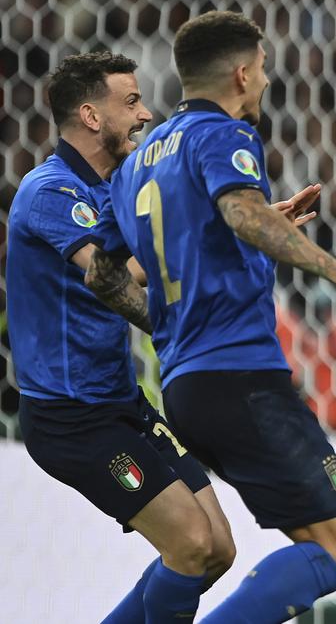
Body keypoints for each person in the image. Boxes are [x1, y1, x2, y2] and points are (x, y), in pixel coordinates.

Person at [86, 12, 336, 623]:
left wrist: (167, 321)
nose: (263, 84)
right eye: (260, 72)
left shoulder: (137, 163)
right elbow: (239, 213)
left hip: (189, 383)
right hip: (241, 380)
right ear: (240, 73)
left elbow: (101, 273)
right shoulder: (224, 135)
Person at [7, 51, 236, 622]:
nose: (145, 112)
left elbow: (162, 248)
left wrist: (248, 225)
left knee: (218, 551)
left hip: (121, 399)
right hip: (70, 417)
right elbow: (114, 272)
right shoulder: (49, 192)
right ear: (89, 115)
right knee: (188, 544)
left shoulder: (116, 187)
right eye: (130, 101)